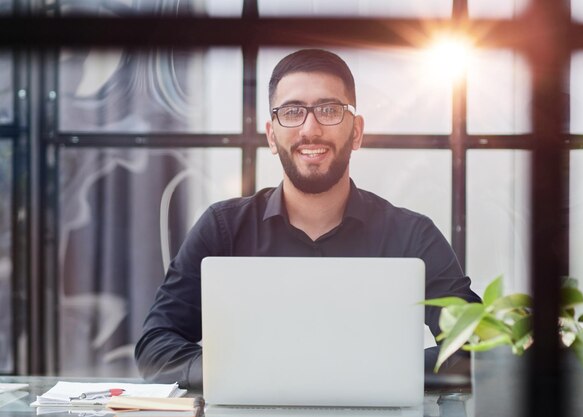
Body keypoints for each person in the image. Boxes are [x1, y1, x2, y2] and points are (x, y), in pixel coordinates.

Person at [135, 49, 480, 389]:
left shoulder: (413, 236)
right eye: (292, 111)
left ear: (356, 131)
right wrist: (241, 373)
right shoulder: (222, 228)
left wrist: (375, 372)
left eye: (329, 110)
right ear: (271, 135)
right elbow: (155, 347)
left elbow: (475, 348)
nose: (310, 129)